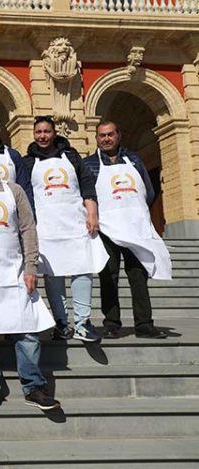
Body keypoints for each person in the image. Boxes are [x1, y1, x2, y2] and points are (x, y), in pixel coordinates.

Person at [0, 141, 59, 410]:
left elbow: (28, 229)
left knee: (27, 331)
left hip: (14, 273)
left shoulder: (14, 191)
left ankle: (34, 386)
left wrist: (31, 267)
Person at [24, 116, 109, 342]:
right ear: (34, 134)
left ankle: (83, 322)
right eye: (38, 132)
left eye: (46, 131)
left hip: (74, 222)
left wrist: (92, 213)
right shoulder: (28, 162)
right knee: (53, 274)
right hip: (46, 225)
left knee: (83, 268)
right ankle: (61, 323)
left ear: (54, 133)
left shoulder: (71, 156)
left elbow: (87, 185)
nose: (42, 136)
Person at [83, 121, 171, 339]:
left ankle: (144, 324)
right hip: (106, 228)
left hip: (135, 228)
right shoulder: (89, 164)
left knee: (138, 275)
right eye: (102, 135)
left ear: (118, 135)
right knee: (108, 275)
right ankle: (112, 323)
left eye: (110, 135)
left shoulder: (133, 159)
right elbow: (87, 194)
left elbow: (148, 191)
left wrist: (134, 212)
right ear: (96, 138)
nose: (106, 139)